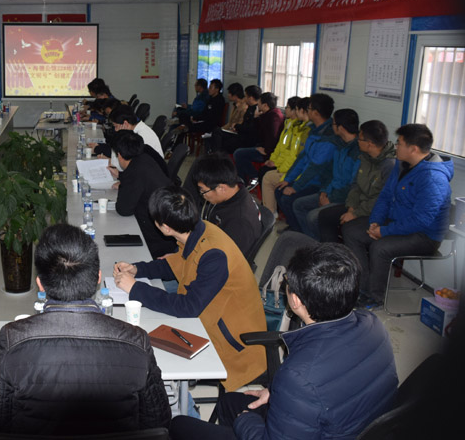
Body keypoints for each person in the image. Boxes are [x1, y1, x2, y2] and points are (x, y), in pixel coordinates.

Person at [169, 243, 398, 440]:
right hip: (350, 424)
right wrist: (275, 391)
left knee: (179, 425)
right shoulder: (373, 323)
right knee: (228, 402)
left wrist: (245, 421)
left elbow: (305, 383)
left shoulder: (298, 376)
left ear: (295, 300)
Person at [0, 223, 171, 435]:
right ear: (98, 278)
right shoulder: (136, 340)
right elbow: (158, 422)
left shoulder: (13, 339)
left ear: (40, 284)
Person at [114, 185, 266, 392]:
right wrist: (138, 269)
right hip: (210, 319)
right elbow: (177, 263)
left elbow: (188, 307)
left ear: (165, 228)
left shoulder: (214, 254)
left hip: (232, 342)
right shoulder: (199, 229)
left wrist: (135, 289)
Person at [342, 123, 453, 307]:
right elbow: (385, 196)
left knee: (380, 247)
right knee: (351, 231)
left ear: (413, 149)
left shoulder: (433, 178)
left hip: (424, 236)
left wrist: (384, 231)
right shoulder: (401, 165)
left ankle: (375, 298)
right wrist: (375, 222)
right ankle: (362, 286)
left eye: (399, 143)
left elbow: (421, 220)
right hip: (397, 223)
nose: (396, 146)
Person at [317, 120, 396, 242]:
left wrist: (355, 214)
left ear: (369, 144)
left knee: (349, 229)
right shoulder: (365, 157)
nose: (357, 141)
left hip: (374, 211)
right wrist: (351, 207)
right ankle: (331, 250)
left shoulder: (389, 165)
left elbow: (382, 199)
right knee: (325, 215)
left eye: (360, 139)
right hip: (358, 206)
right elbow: (356, 186)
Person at [292, 108, 360, 240]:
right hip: (330, 192)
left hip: (344, 199)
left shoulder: (357, 152)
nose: (331, 126)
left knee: (313, 217)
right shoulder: (339, 144)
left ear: (341, 127)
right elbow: (330, 173)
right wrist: (323, 191)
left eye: (333, 123)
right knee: (299, 204)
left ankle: (320, 245)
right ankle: (311, 241)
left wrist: (331, 199)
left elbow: (353, 186)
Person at [274, 93, 336, 231]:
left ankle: (302, 232)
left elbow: (315, 167)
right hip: (307, 179)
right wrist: (288, 179)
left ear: (316, 112)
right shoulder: (313, 130)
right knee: (279, 190)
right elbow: (302, 158)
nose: (306, 111)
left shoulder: (329, 136)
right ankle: (295, 227)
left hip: (319, 183)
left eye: (309, 108)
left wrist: (296, 187)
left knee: (289, 199)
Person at [112, 131, 176, 258]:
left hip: (156, 239)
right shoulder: (145, 159)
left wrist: (123, 184)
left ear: (119, 155)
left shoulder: (134, 171)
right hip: (169, 227)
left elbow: (123, 209)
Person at [193, 153, 263, 257]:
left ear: (221, 188)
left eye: (203, 191)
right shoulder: (235, 187)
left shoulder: (239, 223)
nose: (203, 195)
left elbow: (224, 259)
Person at [260, 97, 311, 213]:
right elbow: (280, 147)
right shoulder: (290, 124)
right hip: (285, 165)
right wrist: (273, 160)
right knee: (265, 171)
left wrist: (279, 167)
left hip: (291, 170)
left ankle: (270, 212)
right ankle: (269, 209)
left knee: (268, 177)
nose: (285, 109)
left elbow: (295, 156)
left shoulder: (304, 130)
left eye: (288, 107)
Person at [233, 92, 285, 185]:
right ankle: (244, 180)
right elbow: (258, 130)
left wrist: (266, 150)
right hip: (262, 146)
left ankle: (253, 177)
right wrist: (256, 117)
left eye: (259, 103)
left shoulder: (274, 117)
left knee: (239, 153)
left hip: (269, 152)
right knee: (240, 149)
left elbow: (273, 137)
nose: (258, 105)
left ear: (265, 105)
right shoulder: (267, 114)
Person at [220, 85, 261, 154]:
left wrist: (236, 126)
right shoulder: (249, 107)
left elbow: (249, 128)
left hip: (247, 139)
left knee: (225, 142)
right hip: (241, 134)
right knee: (218, 134)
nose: (244, 98)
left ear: (250, 98)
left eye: (246, 96)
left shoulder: (256, 110)